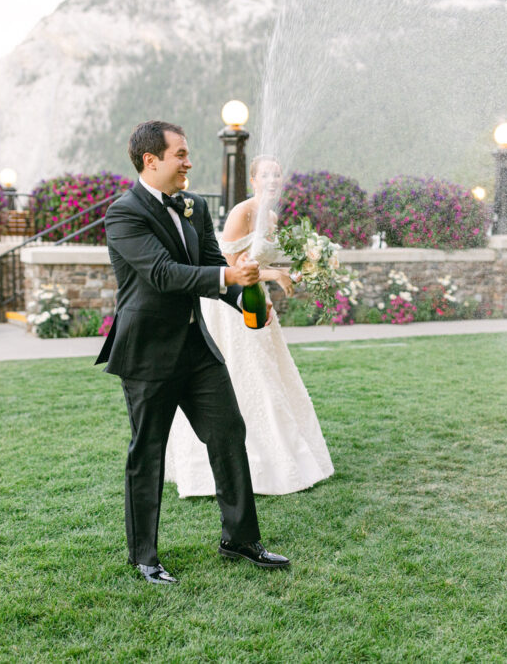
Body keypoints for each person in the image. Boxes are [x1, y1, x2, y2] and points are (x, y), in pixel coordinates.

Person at [97, 121, 289, 585]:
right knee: (149, 452)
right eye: (180, 154)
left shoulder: (194, 205)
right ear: (151, 160)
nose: (188, 162)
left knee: (228, 433)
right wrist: (228, 279)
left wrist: (246, 296)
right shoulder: (123, 214)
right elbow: (163, 274)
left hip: (195, 347)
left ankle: (239, 538)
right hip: (146, 354)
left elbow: (210, 265)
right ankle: (144, 556)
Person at [165, 155, 334, 497]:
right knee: (244, 375)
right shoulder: (242, 212)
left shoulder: (270, 216)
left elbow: (263, 261)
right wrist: (273, 276)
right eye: (265, 175)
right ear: (254, 180)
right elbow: (228, 266)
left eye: (277, 174)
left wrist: (306, 268)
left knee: (269, 376)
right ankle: (221, 464)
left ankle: (276, 458)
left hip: (259, 302)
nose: (272, 180)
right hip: (233, 307)